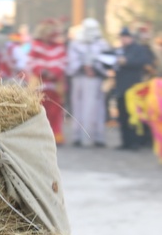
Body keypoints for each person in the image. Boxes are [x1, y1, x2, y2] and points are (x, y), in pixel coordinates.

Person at [66, 18, 110, 148]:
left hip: (95, 79)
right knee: (78, 106)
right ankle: (78, 136)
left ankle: (96, 136)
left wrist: (95, 68)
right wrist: (83, 66)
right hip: (79, 78)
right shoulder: (75, 44)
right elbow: (71, 60)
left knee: (95, 107)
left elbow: (107, 60)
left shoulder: (102, 44)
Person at [27, 19, 67, 144]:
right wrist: (42, 71)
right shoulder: (35, 45)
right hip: (38, 84)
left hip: (54, 85)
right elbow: (30, 62)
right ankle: (37, 135)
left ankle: (55, 134)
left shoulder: (59, 47)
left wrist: (54, 72)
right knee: (38, 110)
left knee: (55, 111)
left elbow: (63, 62)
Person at [114, 27, 149, 150]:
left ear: (131, 38)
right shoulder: (119, 50)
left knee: (133, 116)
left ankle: (135, 142)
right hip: (120, 87)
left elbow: (142, 62)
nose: (123, 39)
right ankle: (126, 142)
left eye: (125, 37)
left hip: (133, 88)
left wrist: (127, 61)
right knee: (122, 116)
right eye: (122, 37)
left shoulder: (138, 49)